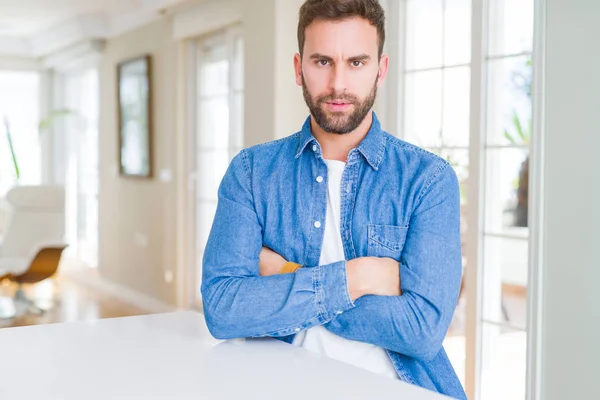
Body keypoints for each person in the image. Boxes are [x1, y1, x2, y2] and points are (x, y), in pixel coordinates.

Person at [201, 0, 466, 398]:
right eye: (323, 62)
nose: (339, 84)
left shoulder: (428, 180)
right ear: (298, 68)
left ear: (381, 69)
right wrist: (357, 277)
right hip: (280, 386)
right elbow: (224, 309)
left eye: (357, 63)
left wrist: (285, 274)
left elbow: (422, 332)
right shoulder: (252, 173)